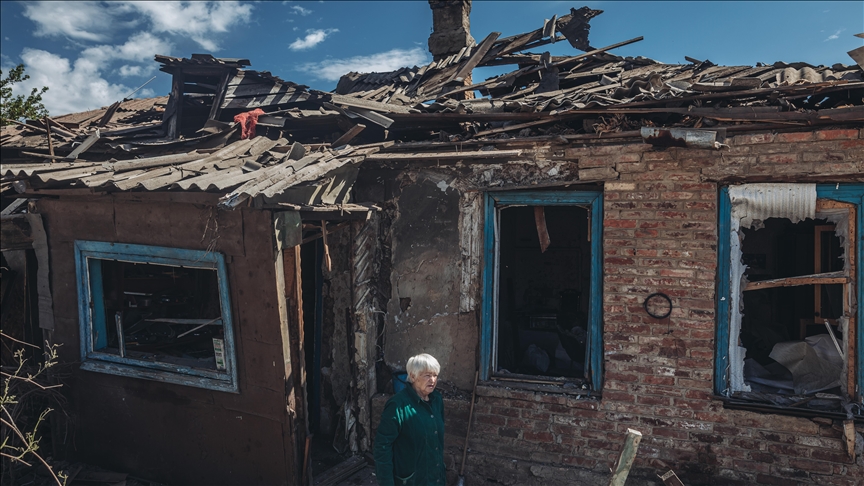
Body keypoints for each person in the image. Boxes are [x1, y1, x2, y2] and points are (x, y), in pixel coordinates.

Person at [374, 353, 445, 486]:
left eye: (435, 375)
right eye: (427, 375)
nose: (433, 380)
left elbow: (437, 443)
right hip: (411, 481)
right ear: (412, 376)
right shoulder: (398, 405)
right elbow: (382, 447)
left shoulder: (437, 400)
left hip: (435, 479)